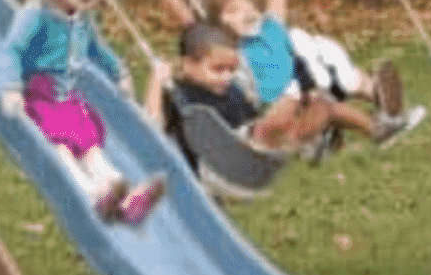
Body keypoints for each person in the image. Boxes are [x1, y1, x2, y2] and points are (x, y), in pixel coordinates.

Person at [146, 0, 425, 147]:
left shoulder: (271, 26)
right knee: (328, 104)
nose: (242, 13)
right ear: (221, 25)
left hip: (304, 85)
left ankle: (382, 112)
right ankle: (369, 125)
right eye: (232, 11)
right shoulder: (230, 48)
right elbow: (187, 21)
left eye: (244, 6)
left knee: (342, 79)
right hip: (274, 106)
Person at [0, 0, 166, 225]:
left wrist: (120, 73)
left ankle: (121, 196)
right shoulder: (37, 13)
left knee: (90, 148)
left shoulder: (83, 18)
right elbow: (12, 49)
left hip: (67, 99)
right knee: (61, 148)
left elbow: (97, 49)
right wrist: (11, 88)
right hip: (37, 96)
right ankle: (91, 194)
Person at [143, 21, 362, 168]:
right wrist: (156, 81)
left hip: (253, 151)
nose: (226, 77)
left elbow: (252, 118)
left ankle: (313, 138)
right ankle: (299, 115)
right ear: (188, 65)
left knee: (322, 107)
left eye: (231, 70)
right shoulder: (178, 93)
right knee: (273, 122)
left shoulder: (232, 91)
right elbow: (150, 129)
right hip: (217, 161)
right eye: (218, 70)